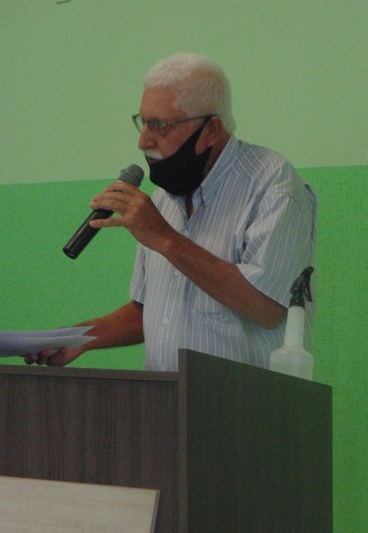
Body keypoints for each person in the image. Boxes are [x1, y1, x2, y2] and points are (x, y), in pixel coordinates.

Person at [25, 52, 316, 371]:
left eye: (160, 126)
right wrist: (76, 338)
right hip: (167, 399)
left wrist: (164, 238)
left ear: (211, 130)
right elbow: (149, 311)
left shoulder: (272, 185)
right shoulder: (164, 197)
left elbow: (268, 308)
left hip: (243, 401)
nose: (143, 141)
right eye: (142, 122)